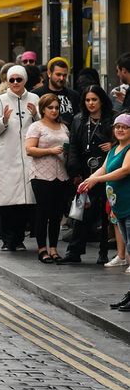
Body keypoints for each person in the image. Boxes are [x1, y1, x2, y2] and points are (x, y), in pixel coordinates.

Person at [0, 65, 40, 252]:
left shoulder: (34, 98)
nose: (16, 83)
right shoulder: (0, 100)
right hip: (7, 156)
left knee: (26, 201)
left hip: (28, 156)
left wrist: (35, 115)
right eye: (12, 80)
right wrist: (3, 120)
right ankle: (8, 240)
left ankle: (19, 239)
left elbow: (43, 123)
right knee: (8, 201)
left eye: (19, 79)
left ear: (25, 80)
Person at [61, 85, 113, 264]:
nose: (91, 103)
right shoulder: (78, 119)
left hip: (108, 170)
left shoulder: (111, 118)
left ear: (101, 100)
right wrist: (74, 171)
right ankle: (74, 252)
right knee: (82, 212)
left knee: (107, 214)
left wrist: (113, 145)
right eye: (88, 100)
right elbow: (73, 145)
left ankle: (104, 253)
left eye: (94, 99)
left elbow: (125, 139)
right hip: (86, 171)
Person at [79, 115, 130, 282]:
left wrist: (97, 180)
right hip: (118, 204)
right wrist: (89, 180)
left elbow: (124, 170)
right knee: (125, 238)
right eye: (117, 126)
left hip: (128, 203)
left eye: (125, 127)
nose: (120, 130)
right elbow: (103, 168)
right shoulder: (114, 148)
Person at [26, 94, 72, 263]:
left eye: (56, 107)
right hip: (41, 175)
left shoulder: (63, 127)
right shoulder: (36, 127)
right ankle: (42, 249)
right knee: (43, 212)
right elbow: (29, 150)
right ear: (43, 109)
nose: (54, 110)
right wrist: (50, 151)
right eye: (50, 107)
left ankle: (53, 248)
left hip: (61, 174)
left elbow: (68, 147)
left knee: (57, 214)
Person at [44, 57, 81, 125]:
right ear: (49, 73)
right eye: (58, 74)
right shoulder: (37, 94)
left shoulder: (74, 95)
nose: (61, 78)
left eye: (64, 75)